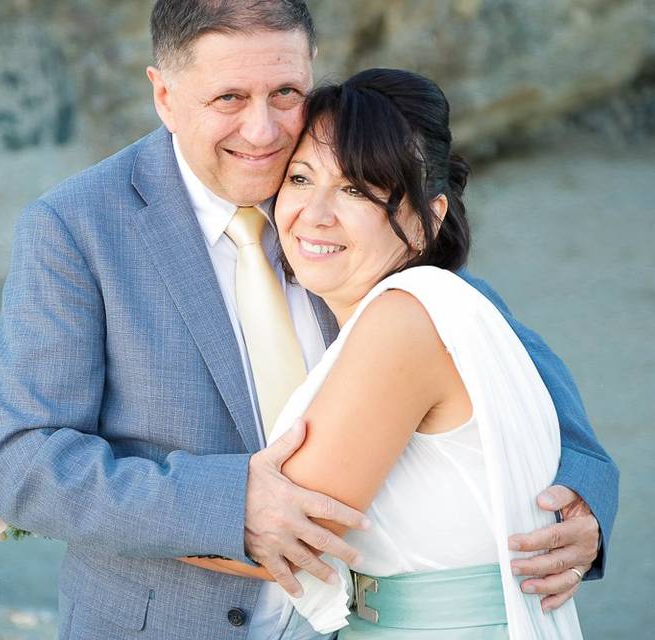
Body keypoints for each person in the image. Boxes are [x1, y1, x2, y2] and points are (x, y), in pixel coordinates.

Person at [0, 2, 617, 638]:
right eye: (228, 98)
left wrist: (582, 500)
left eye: (285, 92)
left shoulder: (345, 190)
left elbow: (497, 351)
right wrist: (232, 505)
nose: (263, 132)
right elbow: (25, 462)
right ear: (165, 96)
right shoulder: (75, 228)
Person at [181, 68, 586, 638]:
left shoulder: (405, 319)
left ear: (428, 220)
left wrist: (67, 496)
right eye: (300, 178)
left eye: (355, 190)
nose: (314, 213)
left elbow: (287, 535)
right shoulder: (438, 308)